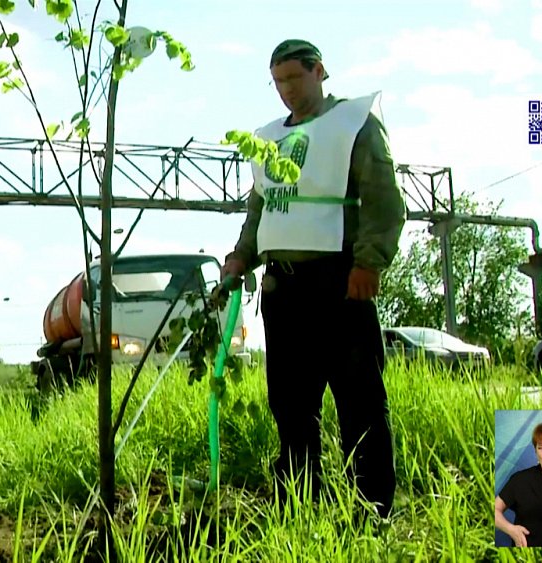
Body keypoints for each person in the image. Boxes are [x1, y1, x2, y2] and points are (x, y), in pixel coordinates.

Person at [222, 39, 406, 519]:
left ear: (318, 71)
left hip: (340, 281)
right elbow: (260, 206)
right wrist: (241, 257)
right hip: (284, 289)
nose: (286, 90)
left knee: (359, 401)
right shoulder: (269, 139)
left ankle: (373, 510)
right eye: (278, 81)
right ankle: (299, 505)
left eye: (294, 78)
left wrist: (369, 263)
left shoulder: (353, 125)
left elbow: (384, 199)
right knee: (290, 404)